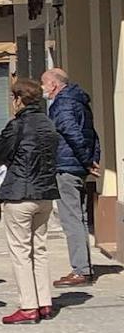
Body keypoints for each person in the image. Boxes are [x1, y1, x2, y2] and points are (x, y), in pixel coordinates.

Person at [0, 78, 62, 324]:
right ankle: (44, 302)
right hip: (45, 193)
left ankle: (28, 306)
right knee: (39, 249)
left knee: (21, 251)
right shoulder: (48, 124)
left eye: (13, 97)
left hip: (20, 194)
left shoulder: (18, 125)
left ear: (19, 99)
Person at [42, 68, 102, 288]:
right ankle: (84, 266)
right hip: (77, 165)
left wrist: (87, 160)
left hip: (67, 166)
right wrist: (92, 159)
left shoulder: (63, 104)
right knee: (80, 217)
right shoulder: (79, 101)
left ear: (54, 85)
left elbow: (72, 133)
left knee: (71, 219)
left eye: (44, 84)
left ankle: (81, 271)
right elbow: (92, 133)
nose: (43, 89)